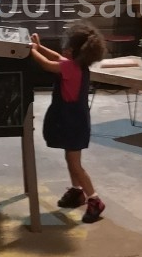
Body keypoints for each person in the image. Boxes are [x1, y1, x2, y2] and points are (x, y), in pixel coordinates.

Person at [30, 21, 107, 223]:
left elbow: (48, 64)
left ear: (74, 52)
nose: (63, 49)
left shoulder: (69, 68)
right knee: (71, 160)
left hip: (72, 121)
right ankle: (77, 192)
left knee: (76, 164)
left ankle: (94, 199)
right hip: (74, 120)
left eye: (67, 47)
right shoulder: (77, 65)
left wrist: (31, 50)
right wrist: (39, 47)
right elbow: (56, 57)